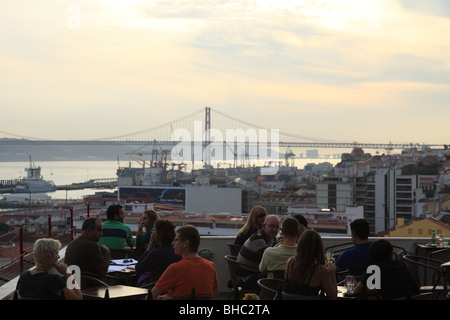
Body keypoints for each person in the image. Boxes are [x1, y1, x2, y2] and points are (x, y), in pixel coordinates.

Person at [151, 225, 219, 300]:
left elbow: (151, 296)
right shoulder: (210, 266)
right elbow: (214, 294)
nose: (172, 243)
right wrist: (172, 297)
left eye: (176, 240)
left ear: (185, 243)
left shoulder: (175, 268)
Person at [17, 238, 82, 300]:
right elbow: (78, 298)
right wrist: (67, 273)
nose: (59, 257)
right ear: (48, 257)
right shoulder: (53, 280)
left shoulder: (24, 276)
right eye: (56, 253)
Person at [354, 239, 419, 300]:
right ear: (391, 254)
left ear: (372, 256)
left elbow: (356, 291)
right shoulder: (401, 265)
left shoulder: (376, 269)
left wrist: (355, 283)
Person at [284, 229, 337, 300]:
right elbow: (333, 297)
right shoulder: (320, 270)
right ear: (318, 248)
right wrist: (332, 273)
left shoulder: (290, 263)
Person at [236, 214, 280, 289]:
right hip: (246, 278)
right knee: (275, 279)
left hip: (256, 273)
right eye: (271, 226)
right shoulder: (257, 239)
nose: (275, 229)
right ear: (264, 226)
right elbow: (272, 259)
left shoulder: (273, 239)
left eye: (277, 227)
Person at [135, 219, 181, 287]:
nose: (151, 233)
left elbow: (139, 269)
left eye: (154, 230)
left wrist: (149, 248)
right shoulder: (177, 251)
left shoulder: (156, 253)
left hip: (155, 288)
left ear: (159, 234)